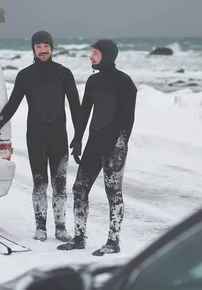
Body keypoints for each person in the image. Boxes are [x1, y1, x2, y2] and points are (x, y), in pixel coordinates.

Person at [0, 31, 81, 242]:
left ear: (52, 48)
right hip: (36, 138)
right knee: (39, 183)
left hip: (59, 137)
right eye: (39, 46)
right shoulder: (25, 75)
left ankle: (60, 227)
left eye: (46, 46)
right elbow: (13, 103)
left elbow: (76, 106)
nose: (43, 50)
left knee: (60, 184)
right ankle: (40, 227)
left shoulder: (63, 73)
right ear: (33, 49)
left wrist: (78, 137)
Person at [57, 39, 137, 256]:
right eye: (91, 53)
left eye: (95, 53)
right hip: (94, 144)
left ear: (107, 55)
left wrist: (120, 146)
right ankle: (79, 237)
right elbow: (85, 112)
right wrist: (78, 138)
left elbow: (128, 120)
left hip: (114, 146)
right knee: (79, 189)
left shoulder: (125, 83)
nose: (91, 56)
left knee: (113, 193)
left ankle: (113, 241)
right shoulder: (93, 82)